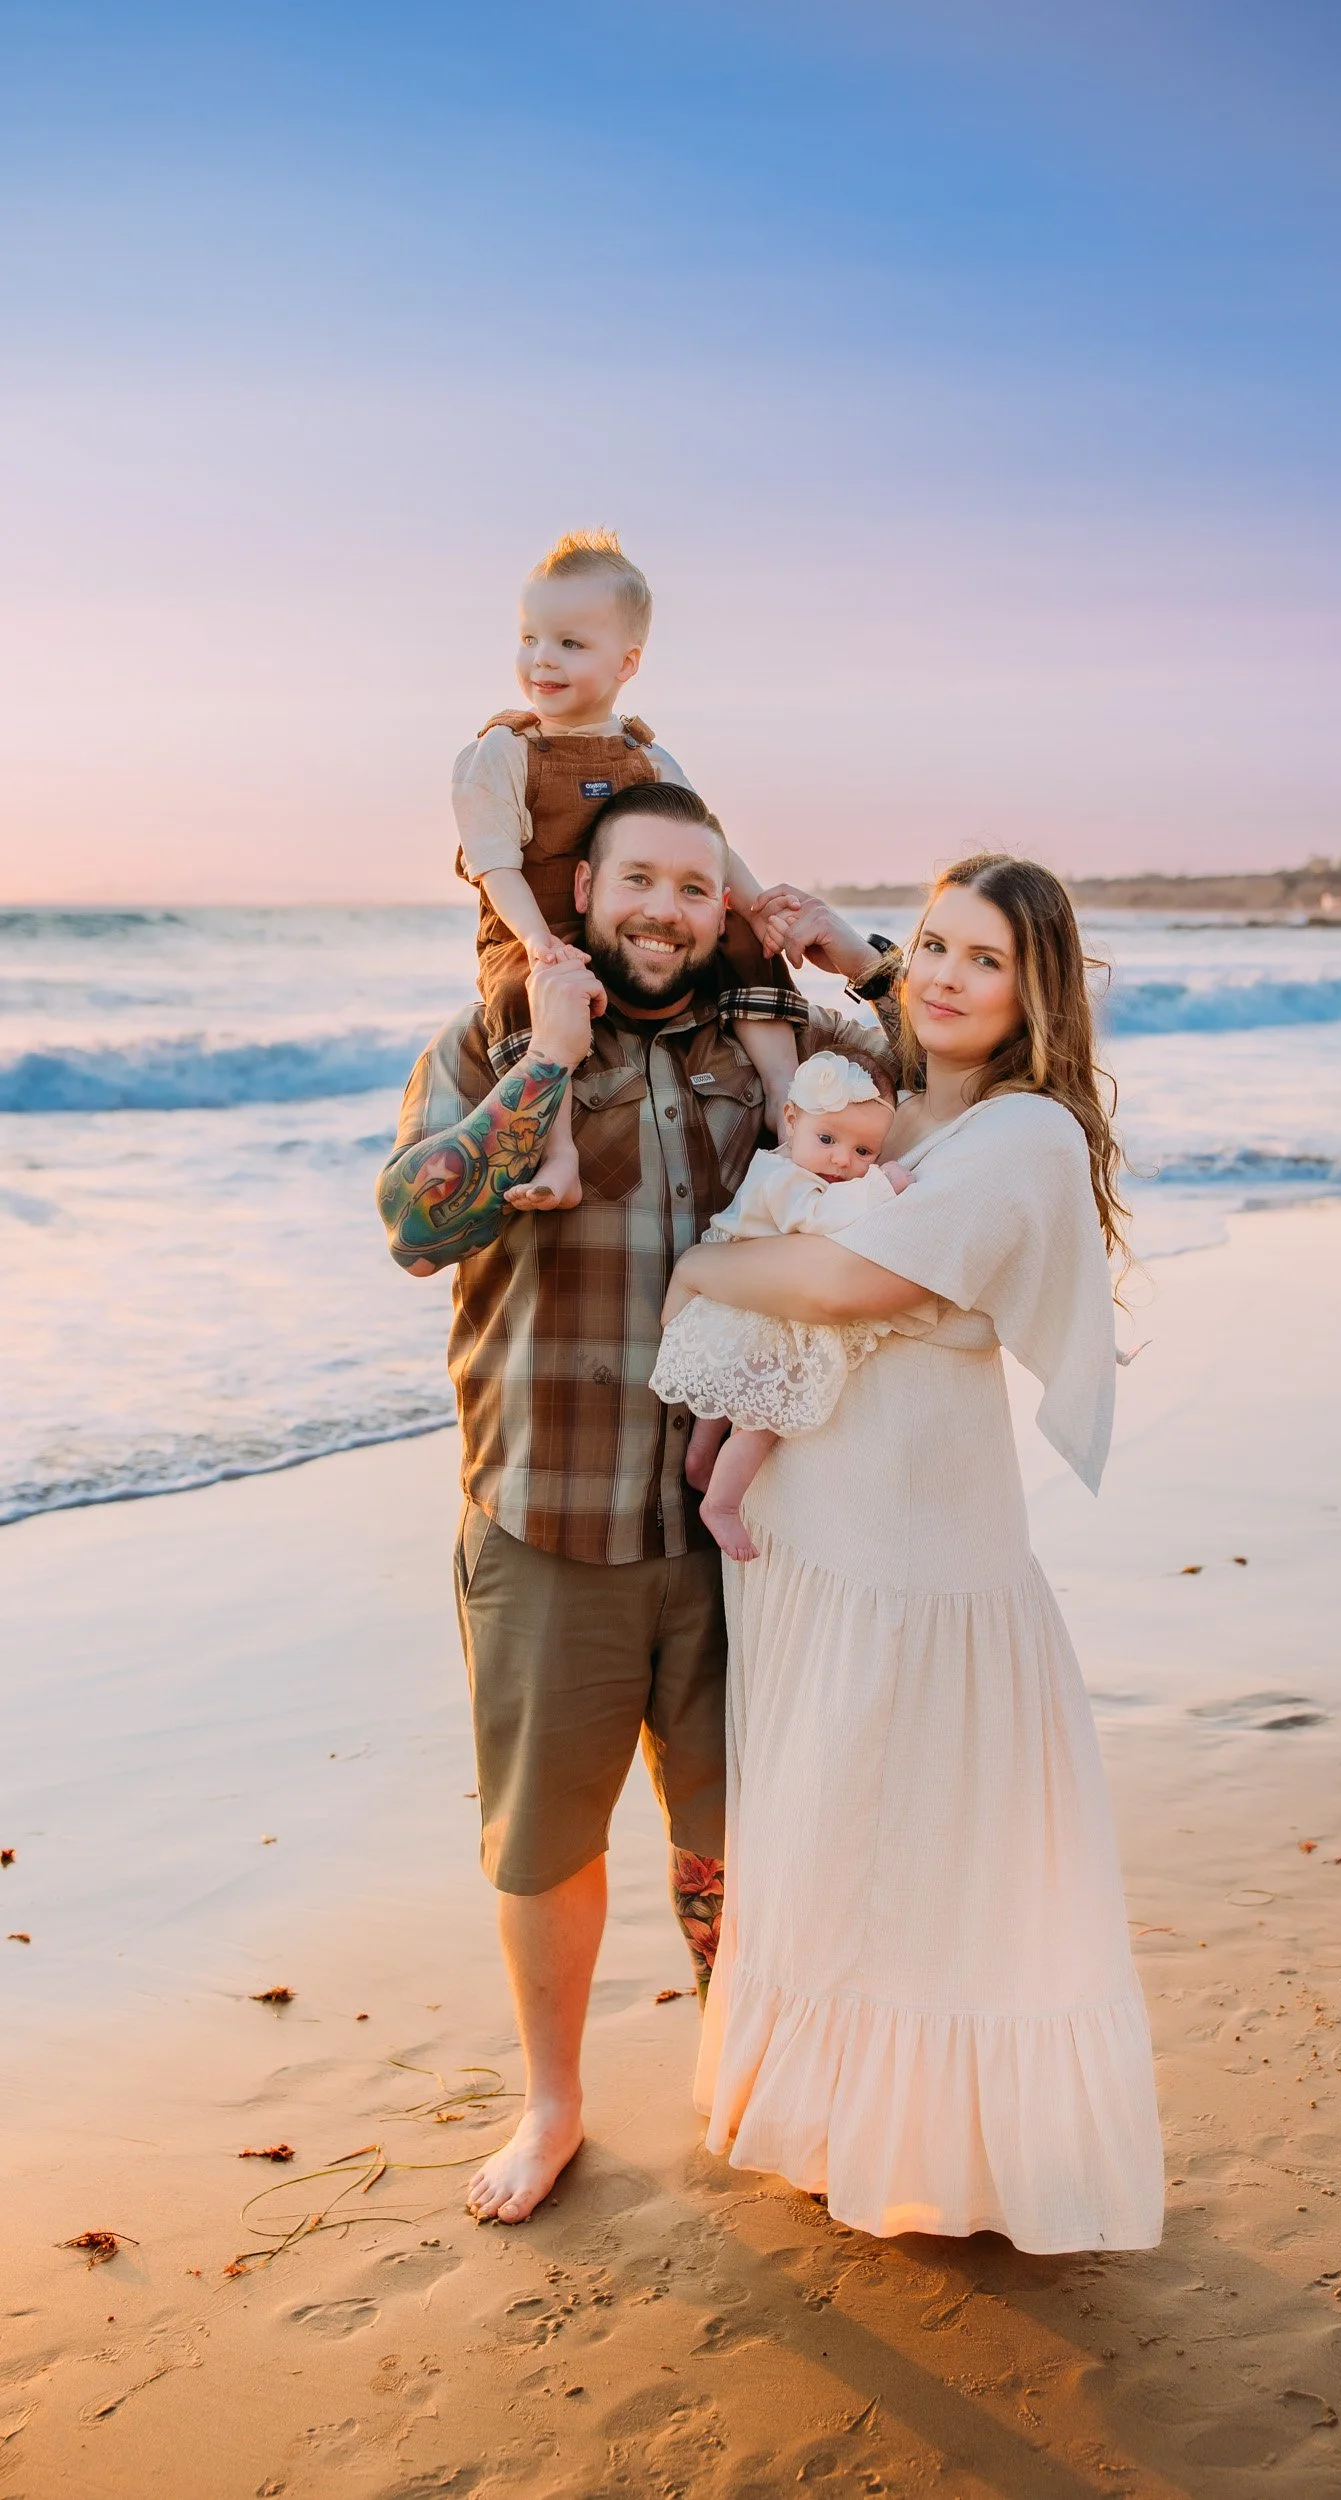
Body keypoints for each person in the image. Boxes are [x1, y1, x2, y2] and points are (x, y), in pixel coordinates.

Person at [375, 782, 897, 2225]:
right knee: (546, 1841)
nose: (664, 910)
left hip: (752, 1524)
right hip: (549, 1517)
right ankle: (552, 2106)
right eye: (638, 881)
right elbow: (415, 1223)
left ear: (721, 901)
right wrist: (544, 1065)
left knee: (742, 1834)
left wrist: (861, 957)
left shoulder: (771, 1044)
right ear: (582, 891)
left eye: (693, 884)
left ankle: (756, 2075)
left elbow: (972, 1083)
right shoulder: (493, 1034)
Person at [662, 853, 1166, 2253]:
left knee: (925, 1855)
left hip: (919, 1563)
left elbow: (848, 1280)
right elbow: (811, 991)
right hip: (808, 1541)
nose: (943, 975)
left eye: (984, 959)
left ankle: (950, 2149)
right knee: (827, 1838)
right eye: (932, 946)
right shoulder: (884, 1093)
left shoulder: (1024, 1139)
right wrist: (818, 935)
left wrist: (697, 1266)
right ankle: (838, 2126)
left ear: (1034, 991)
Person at [451, 530, 804, 1211]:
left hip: (628, 918)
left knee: (740, 941)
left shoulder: (645, 754)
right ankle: (558, 1155)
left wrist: (755, 904)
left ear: (627, 662)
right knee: (530, 994)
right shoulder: (502, 751)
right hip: (536, 917)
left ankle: (783, 1095)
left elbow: (708, 840)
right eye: (529, 639)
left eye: (570, 644)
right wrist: (535, 941)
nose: (541, 660)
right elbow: (493, 862)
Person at [650, 1050, 915, 1560]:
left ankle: (702, 1464)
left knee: (727, 1398)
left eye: (865, 1151)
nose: (843, 1160)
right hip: (756, 1305)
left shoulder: (784, 1165)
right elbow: (816, 1219)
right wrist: (883, 1185)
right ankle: (721, 1504)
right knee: (761, 1418)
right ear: (791, 1120)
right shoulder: (787, 1180)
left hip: (740, 1300)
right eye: (828, 1139)